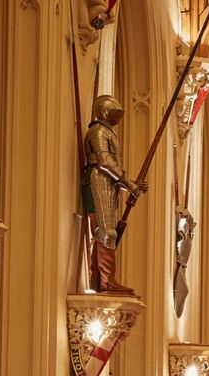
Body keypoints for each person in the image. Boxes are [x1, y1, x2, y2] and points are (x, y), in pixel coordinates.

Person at [83, 95, 146, 295]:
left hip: (108, 182)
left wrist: (132, 185)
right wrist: (129, 183)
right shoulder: (98, 132)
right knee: (106, 231)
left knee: (107, 231)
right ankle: (105, 280)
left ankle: (100, 278)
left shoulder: (106, 132)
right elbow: (104, 162)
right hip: (98, 179)